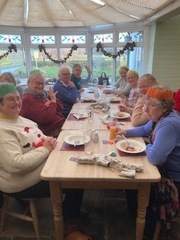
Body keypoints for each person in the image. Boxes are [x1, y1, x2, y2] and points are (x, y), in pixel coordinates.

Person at [0, 82, 86, 239]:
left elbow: (40, 137)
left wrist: (50, 141)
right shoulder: (2, 130)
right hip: (19, 181)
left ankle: (69, 212)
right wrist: (46, 149)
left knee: (75, 164)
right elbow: (15, 165)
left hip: (42, 165)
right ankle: (69, 226)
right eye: (10, 99)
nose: (17, 102)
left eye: (18, 98)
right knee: (75, 181)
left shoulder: (22, 120)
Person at [116, 85, 180, 239]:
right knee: (130, 179)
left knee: (133, 182)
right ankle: (136, 215)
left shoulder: (169, 123)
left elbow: (155, 157)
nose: (145, 109)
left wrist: (147, 145)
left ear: (165, 106)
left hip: (172, 177)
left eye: (151, 105)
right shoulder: (160, 117)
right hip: (161, 168)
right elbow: (144, 130)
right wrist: (125, 132)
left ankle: (148, 226)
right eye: (145, 104)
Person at [20, 71, 65, 138]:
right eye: (37, 83)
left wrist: (51, 104)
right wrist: (52, 102)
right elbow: (47, 119)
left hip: (59, 126)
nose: (40, 86)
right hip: (50, 134)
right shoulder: (27, 99)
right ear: (28, 83)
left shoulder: (42, 94)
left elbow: (60, 107)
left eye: (42, 83)